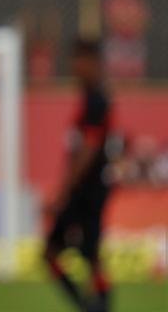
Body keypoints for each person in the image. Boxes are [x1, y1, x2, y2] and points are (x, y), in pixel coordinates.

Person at [44, 39, 115, 312]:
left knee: (84, 255)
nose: (75, 67)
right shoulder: (90, 98)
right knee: (77, 254)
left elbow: (89, 148)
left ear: (92, 63)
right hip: (85, 189)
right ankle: (89, 306)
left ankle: (95, 306)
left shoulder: (97, 100)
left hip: (88, 191)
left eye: (79, 60)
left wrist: (64, 192)